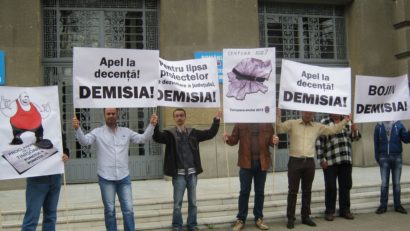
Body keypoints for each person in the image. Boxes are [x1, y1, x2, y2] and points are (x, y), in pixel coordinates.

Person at [72, 108, 157, 231]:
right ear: (104, 115)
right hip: (106, 178)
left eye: (113, 113)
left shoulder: (126, 132)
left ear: (117, 115)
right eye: (108, 114)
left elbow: (142, 138)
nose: (111, 116)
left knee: (128, 210)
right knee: (110, 211)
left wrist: (152, 126)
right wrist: (77, 129)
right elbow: (85, 142)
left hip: (124, 177)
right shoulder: (97, 132)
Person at [275, 109, 351, 229]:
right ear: (301, 112)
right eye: (306, 112)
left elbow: (333, 130)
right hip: (295, 161)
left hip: (309, 162)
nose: (308, 114)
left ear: (313, 114)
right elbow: (278, 128)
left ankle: (305, 216)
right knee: (292, 191)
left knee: (307, 191)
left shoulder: (317, 126)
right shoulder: (292, 123)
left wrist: (345, 120)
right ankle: (291, 217)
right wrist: (277, 116)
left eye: (310, 113)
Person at [152, 108, 221, 231]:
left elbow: (209, 133)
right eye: (177, 116)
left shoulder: (193, 133)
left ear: (185, 117)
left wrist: (216, 120)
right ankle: (177, 226)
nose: (179, 117)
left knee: (193, 203)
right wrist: (155, 125)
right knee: (177, 204)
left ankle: (192, 225)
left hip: (192, 174)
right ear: (174, 118)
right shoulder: (169, 134)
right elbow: (157, 137)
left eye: (181, 115)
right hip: (178, 175)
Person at [224, 123, 279, 231]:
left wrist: (275, 141)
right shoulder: (241, 123)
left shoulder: (267, 123)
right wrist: (227, 138)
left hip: (262, 163)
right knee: (244, 192)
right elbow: (233, 140)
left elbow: (272, 143)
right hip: (245, 163)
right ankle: (241, 219)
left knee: (260, 192)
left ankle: (259, 218)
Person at [316, 114, 361, 221]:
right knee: (331, 187)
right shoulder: (324, 122)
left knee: (346, 186)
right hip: (330, 161)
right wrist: (321, 159)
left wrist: (355, 130)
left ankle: (345, 210)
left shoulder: (347, 121)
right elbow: (319, 141)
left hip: (345, 159)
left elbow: (355, 138)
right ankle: (329, 211)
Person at [21, 140, 70, 231]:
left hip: (55, 176)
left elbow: (63, 145)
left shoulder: (55, 126)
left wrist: (66, 154)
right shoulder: (30, 128)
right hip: (37, 177)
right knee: (32, 217)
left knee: (51, 216)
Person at [374, 120, 410, 215]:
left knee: (397, 183)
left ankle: (398, 205)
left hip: (397, 156)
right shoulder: (378, 126)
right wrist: (378, 158)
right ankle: (383, 206)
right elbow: (376, 143)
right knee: (384, 183)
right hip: (384, 157)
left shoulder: (399, 124)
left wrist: (409, 132)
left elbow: (406, 140)